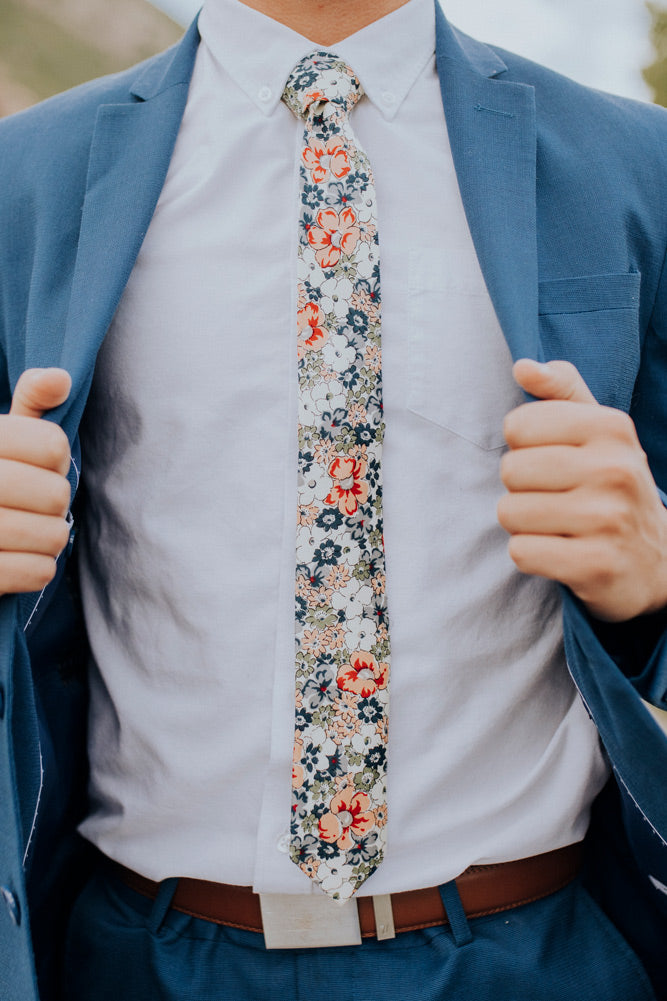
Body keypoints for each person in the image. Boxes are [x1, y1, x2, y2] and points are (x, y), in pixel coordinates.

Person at [0, 0, 666, 998]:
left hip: (530, 954)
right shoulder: (26, 176)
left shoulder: (635, 163)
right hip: (136, 955)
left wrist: (655, 577)